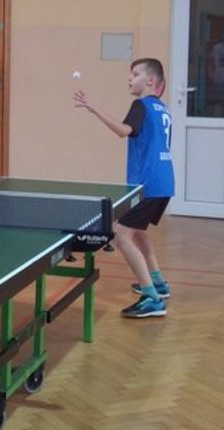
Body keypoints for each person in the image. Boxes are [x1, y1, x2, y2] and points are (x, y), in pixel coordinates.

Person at [73, 58, 175, 318]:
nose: (130, 78)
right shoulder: (162, 109)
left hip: (148, 184)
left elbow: (123, 131)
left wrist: (95, 108)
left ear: (150, 80)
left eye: (135, 74)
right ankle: (157, 282)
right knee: (137, 231)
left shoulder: (141, 105)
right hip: (164, 181)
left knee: (121, 235)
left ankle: (151, 298)